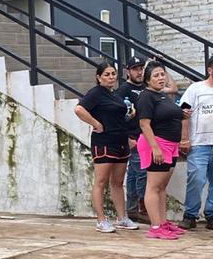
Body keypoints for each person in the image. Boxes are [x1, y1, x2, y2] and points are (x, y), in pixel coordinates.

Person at [74, 60, 138, 233]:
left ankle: (122, 218)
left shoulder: (115, 95)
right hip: (104, 142)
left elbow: (118, 116)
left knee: (117, 182)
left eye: (113, 74)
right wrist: (96, 123)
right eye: (107, 74)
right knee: (101, 181)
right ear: (98, 77)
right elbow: (79, 109)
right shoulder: (95, 93)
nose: (111, 77)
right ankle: (101, 220)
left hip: (121, 141)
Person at [136, 60, 185, 240]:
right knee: (153, 186)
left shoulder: (162, 95)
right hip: (157, 144)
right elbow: (144, 124)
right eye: (156, 75)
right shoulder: (146, 96)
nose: (161, 78)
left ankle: (163, 222)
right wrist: (155, 148)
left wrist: (183, 114)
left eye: (162, 74)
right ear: (148, 80)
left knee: (162, 187)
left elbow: (167, 111)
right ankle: (155, 226)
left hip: (170, 145)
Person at [178, 56, 213, 230]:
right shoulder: (195, 89)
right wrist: (185, 138)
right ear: (210, 69)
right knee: (196, 178)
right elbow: (184, 113)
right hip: (199, 143)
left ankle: (211, 214)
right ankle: (190, 214)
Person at [117, 57, 147, 222]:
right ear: (128, 71)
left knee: (135, 173)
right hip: (133, 136)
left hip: (146, 134)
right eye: (135, 68)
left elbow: (170, 88)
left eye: (141, 68)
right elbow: (118, 116)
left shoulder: (146, 87)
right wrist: (127, 136)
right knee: (140, 172)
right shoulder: (123, 90)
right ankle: (142, 208)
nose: (139, 72)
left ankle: (132, 208)